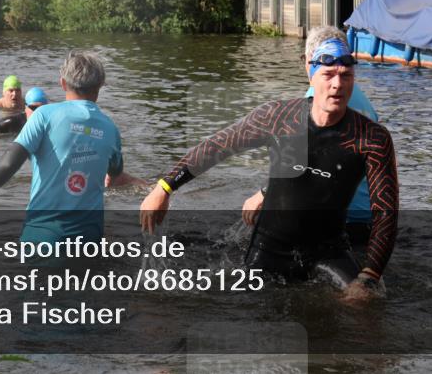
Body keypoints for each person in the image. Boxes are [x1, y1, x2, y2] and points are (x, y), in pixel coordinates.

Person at [139, 30, 398, 302]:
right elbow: (218, 146)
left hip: (329, 250)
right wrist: (165, 187)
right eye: (329, 75)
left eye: (346, 76)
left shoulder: (371, 138)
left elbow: (386, 213)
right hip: (270, 248)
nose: (337, 85)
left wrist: (369, 276)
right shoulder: (279, 117)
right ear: (311, 74)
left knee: (367, 308)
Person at [0, 51, 141, 242]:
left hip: (43, 236)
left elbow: (9, 162)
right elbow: (115, 176)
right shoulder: (110, 128)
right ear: (101, 85)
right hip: (91, 238)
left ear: (63, 83)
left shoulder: (44, 115)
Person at [241, 27, 380, 244]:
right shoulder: (358, 99)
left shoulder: (318, 100)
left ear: (310, 61)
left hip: (338, 220)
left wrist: (262, 195)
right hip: (368, 218)